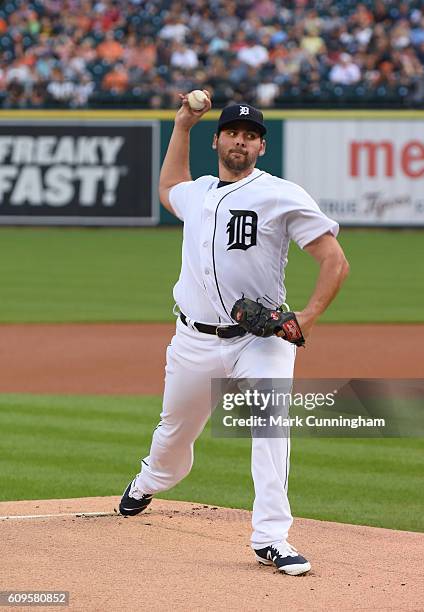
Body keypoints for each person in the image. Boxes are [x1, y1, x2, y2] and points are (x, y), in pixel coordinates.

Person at [119, 92, 349, 576]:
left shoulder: (281, 193)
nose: (241, 141)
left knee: (270, 427)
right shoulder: (199, 192)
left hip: (259, 339)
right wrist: (182, 125)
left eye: (251, 136)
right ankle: (147, 481)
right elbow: (169, 187)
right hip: (193, 340)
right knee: (174, 434)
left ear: (261, 147)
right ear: (217, 140)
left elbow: (335, 260)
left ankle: (271, 537)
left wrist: (307, 316)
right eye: (233, 133)